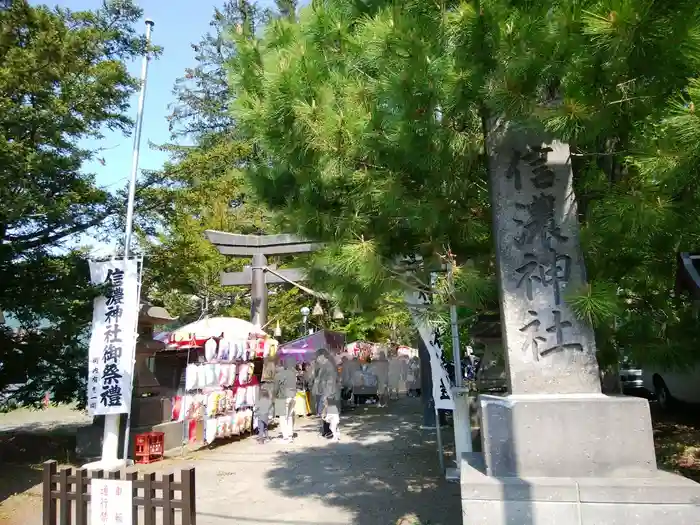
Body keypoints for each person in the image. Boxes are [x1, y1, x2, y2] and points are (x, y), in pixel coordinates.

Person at [312, 348, 339, 436]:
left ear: (322, 356)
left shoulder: (328, 366)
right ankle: (327, 430)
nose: (316, 359)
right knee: (324, 412)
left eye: (317, 357)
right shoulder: (324, 366)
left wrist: (326, 395)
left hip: (327, 393)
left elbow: (330, 382)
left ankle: (329, 431)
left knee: (327, 412)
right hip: (324, 392)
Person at [273, 356, 297, 443]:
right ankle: (290, 435)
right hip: (292, 397)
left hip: (282, 397)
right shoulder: (292, 374)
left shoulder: (278, 376)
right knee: (290, 416)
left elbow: (275, 389)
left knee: (283, 418)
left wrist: (273, 398)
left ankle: (285, 437)